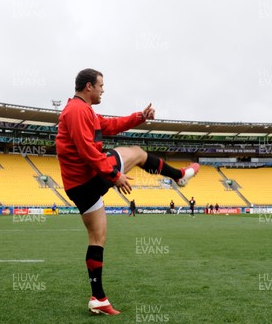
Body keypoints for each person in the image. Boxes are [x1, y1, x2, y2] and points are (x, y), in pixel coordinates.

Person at [56, 68, 199, 315]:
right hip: (90, 178)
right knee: (137, 152)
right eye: (101, 85)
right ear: (88, 86)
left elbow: (111, 125)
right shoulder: (77, 111)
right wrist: (115, 175)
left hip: (78, 187)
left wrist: (139, 117)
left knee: (97, 238)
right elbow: (86, 151)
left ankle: (98, 298)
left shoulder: (82, 110)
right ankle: (180, 176)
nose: (103, 89)